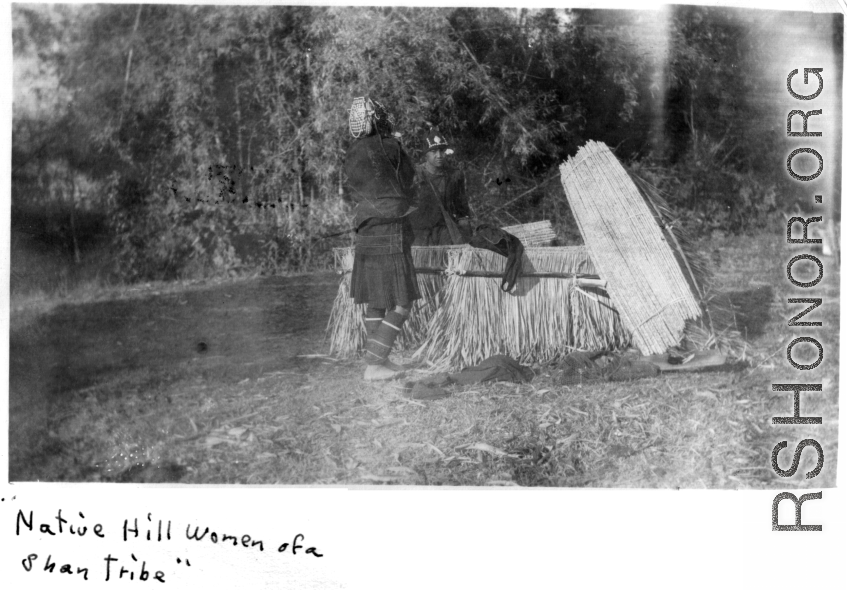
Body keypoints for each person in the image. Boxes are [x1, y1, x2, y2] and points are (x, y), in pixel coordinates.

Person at [344, 97, 419, 381]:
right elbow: (410, 181)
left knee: (376, 299)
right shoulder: (392, 147)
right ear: (376, 119)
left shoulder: (352, 151)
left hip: (366, 231)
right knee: (402, 302)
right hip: (390, 229)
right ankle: (374, 363)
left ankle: (380, 362)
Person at [409, 127, 472, 246]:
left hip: (445, 232)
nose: (439, 155)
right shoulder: (415, 175)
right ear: (426, 154)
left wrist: (466, 237)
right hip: (419, 234)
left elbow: (462, 211)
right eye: (434, 151)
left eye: (442, 150)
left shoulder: (454, 176)